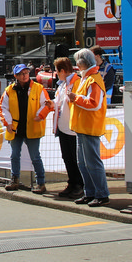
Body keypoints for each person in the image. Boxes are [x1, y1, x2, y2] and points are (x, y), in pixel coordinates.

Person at [0, 63, 52, 193]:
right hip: (16, 128)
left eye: (26, 73)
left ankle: (41, 183)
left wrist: (40, 115)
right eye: (22, 74)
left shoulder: (38, 88)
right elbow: (3, 108)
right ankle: (14, 180)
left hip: (32, 127)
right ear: (16, 76)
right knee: (14, 155)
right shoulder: (9, 90)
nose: (25, 76)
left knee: (35, 157)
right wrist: (8, 123)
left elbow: (47, 104)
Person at [68, 48, 109, 207]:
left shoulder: (93, 80)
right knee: (84, 163)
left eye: (78, 62)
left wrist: (75, 98)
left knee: (92, 163)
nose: (76, 65)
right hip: (83, 127)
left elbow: (94, 104)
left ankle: (101, 194)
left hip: (89, 127)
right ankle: (90, 193)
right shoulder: (87, 79)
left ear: (82, 63)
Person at [51, 56, 83, 199]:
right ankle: (72, 183)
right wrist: (52, 104)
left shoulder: (76, 82)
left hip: (73, 129)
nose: (57, 74)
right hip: (63, 127)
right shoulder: (63, 85)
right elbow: (60, 102)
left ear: (63, 71)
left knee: (75, 158)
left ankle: (79, 185)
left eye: (57, 71)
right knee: (67, 157)